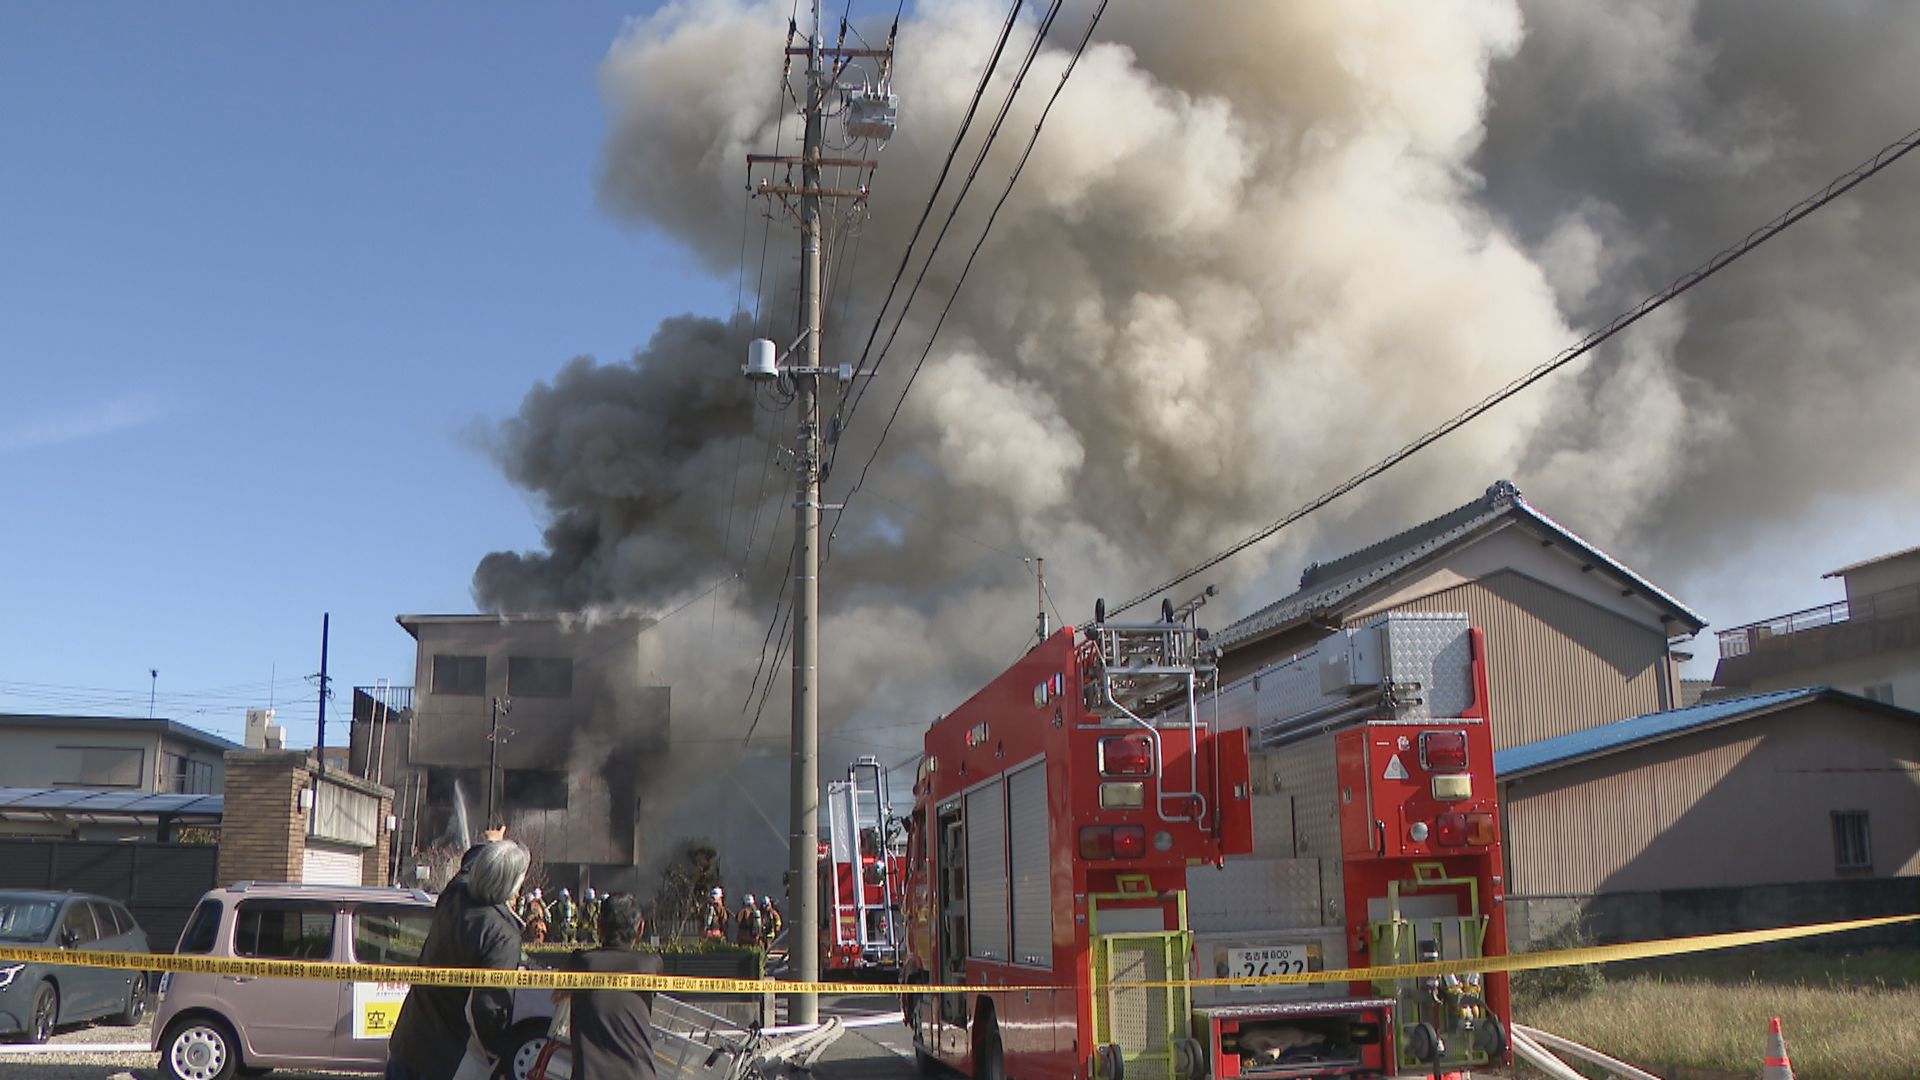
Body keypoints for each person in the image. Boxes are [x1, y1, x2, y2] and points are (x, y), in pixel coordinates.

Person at [387, 839, 529, 1080]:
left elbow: (468, 865)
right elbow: (488, 1008)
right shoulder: (502, 935)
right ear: (513, 885)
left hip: (407, 1042)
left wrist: (490, 845)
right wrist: (500, 1053)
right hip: (450, 1060)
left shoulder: (454, 894)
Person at [556, 893, 663, 1080]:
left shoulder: (581, 961)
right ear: (640, 929)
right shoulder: (650, 964)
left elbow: (557, 996)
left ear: (599, 927)